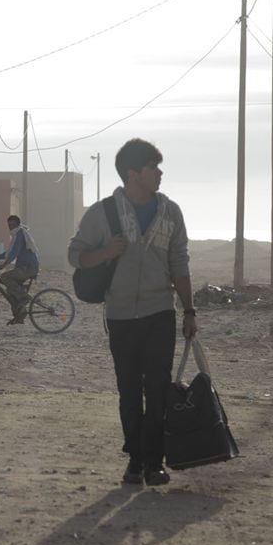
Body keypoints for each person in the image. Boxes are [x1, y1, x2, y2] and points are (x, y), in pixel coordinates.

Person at [67, 138, 196, 487]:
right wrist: (106, 252)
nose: (160, 173)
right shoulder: (102, 213)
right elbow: (75, 255)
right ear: (132, 173)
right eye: (153, 167)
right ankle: (135, 462)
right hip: (121, 316)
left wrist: (189, 310)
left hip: (160, 314)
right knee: (129, 390)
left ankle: (155, 462)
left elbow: (179, 263)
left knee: (157, 388)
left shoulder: (171, 212)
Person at [0, 215, 40, 324]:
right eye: (9, 225)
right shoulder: (16, 235)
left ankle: (24, 298)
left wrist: (3, 265)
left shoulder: (20, 234)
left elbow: (14, 252)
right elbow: (8, 252)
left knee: (5, 277)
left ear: (18, 224)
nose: (10, 227)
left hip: (29, 268)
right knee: (10, 290)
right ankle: (19, 316)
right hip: (24, 267)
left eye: (13, 225)